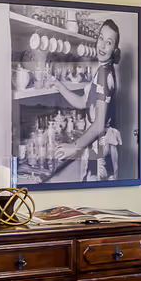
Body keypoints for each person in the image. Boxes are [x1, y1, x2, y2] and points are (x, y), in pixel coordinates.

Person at [49, 18, 122, 182]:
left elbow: (98, 125)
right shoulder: (103, 70)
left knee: (96, 190)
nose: (102, 46)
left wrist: (74, 147)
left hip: (100, 145)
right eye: (101, 38)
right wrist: (60, 87)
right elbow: (83, 102)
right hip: (98, 144)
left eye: (109, 42)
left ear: (114, 49)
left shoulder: (104, 75)